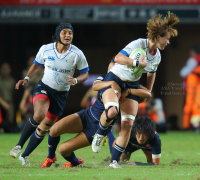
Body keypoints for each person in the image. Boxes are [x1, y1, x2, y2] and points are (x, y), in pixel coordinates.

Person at [91, 11, 179, 168]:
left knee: (127, 124)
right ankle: (99, 133)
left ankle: (114, 162)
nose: (168, 42)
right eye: (167, 38)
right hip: (115, 78)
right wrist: (136, 63)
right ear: (158, 37)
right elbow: (118, 58)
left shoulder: (157, 55)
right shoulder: (138, 44)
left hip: (131, 84)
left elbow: (152, 73)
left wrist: (148, 93)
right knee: (112, 112)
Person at [40, 61, 152, 167]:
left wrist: (130, 92)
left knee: (63, 150)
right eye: (110, 67)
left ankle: (75, 162)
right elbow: (95, 86)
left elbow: (147, 94)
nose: (111, 70)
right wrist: (112, 83)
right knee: (53, 130)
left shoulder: (130, 85)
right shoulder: (105, 78)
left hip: (96, 128)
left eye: (114, 67)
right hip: (87, 115)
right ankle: (50, 157)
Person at [9, 22, 89, 166]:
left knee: (45, 128)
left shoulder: (77, 53)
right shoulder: (46, 49)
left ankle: (24, 155)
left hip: (61, 95)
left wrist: (76, 80)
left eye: (70, 33)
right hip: (44, 87)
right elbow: (36, 64)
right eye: (64, 32)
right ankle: (19, 145)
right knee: (39, 115)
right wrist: (27, 78)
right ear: (58, 34)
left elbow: (85, 74)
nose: (67, 35)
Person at [180, 45, 200, 131]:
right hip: (196, 88)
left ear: (193, 52)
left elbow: (183, 73)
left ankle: (187, 126)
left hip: (192, 88)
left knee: (190, 105)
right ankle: (195, 125)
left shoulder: (193, 60)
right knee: (196, 106)